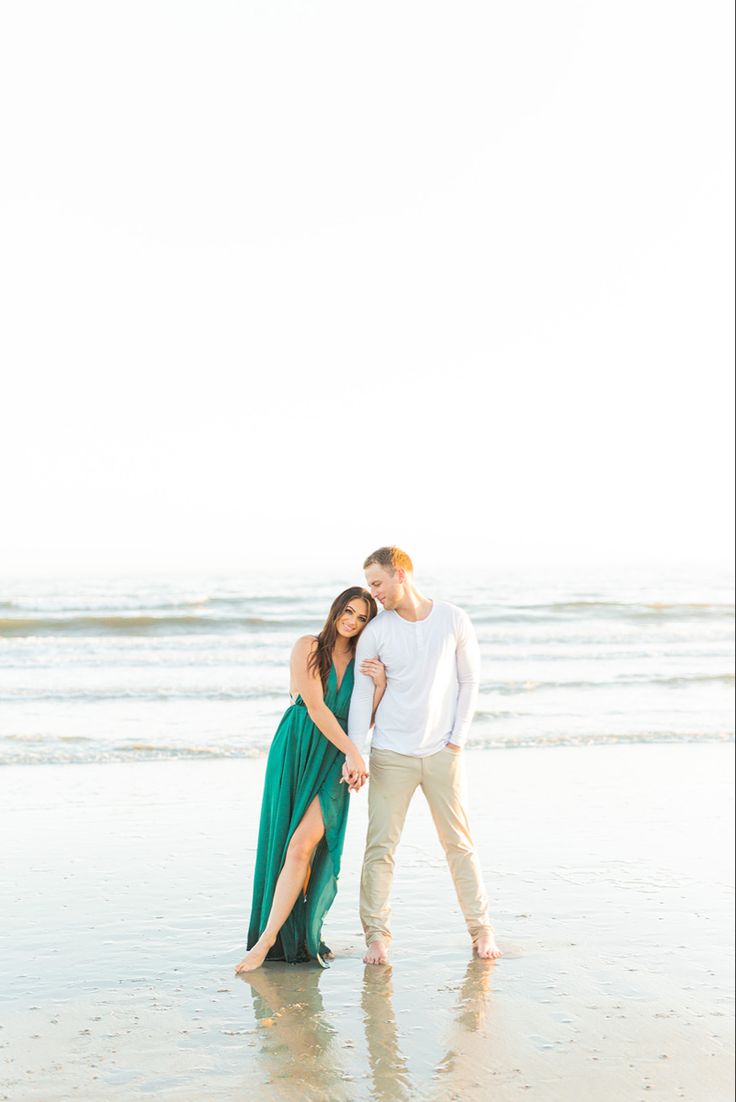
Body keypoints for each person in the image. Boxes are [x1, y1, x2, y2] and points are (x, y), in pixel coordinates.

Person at [346, 546, 502, 965]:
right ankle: (376, 936)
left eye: (377, 582)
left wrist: (457, 740)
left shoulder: (453, 618)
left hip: (442, 753)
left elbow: (470, 681)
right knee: (380, 847)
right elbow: (362, 695)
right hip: (390, 754)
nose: (373, 593)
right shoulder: (376, 632)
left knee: (459, 844)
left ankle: (481, 929)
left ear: (400, 574)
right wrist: (356, 752)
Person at [235, 587, 382, 973]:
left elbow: (361, 721)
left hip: (334, 758)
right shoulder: (308, 647)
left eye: (362, 617)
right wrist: (354, 753)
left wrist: (380, 685)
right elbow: (316, 707)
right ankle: (279, 939)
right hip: (297, 747)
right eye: (348, 611)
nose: (352, 621)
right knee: (287, 845)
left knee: (306, 847)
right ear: (336, 610)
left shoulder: (363, 660)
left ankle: (274, 941)